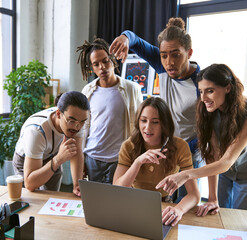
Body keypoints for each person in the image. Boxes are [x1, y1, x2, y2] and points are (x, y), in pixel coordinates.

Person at [110, 17, 202, 201]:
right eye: (164, 55)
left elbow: (207, 129)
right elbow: (134, 40)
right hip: (161, 144)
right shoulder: (162, 65)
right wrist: (125, 38)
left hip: (188, 149)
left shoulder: (201, 84)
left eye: (176, 55)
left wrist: (183, 147)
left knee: (186, 201)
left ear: (189, 53)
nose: (169, 62)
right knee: (158, 196)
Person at [156, 64, 247, 214]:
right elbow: (213, 155)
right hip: (223, 170)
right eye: (201, 91)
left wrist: (185, 174)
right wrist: (212, 198)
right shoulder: (210, 110)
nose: (203, 98)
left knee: (241, 215)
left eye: (210, 91)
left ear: (227, 88)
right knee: (220, 211)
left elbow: (226, 161)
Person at [113, 97, 200, 226]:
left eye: (155, 122)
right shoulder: (128, 145)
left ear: (164, 124)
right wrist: (137, 162)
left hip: (164, 206)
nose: (147, 127)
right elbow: (117, 189)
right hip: (132, 204)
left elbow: (194, 195)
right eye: (143, 120)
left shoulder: (180, 146)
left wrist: (179, 209)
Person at [77, 38, 143, 184]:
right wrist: (81, 162)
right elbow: (82, 129)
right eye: (96, 64)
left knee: (118, 202)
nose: (102, 67)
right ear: (92, 68)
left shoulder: (132, 89)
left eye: (105, 61)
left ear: (113, 60)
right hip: (93, 157)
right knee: (94, 201)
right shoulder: (87, 91)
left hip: (120, 159)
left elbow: (140, 126)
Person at [12, 91, 90, 196]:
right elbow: (30, 183)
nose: (77, 127)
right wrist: (58, 159)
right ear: (58, 114)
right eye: (72, 121)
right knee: (31, 199)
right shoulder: (36, 131)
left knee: (52, 198)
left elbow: (76, 152)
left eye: (82, 122)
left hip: (51, 155)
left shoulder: (77, 121)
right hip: (26, 159)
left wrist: (77, 185)